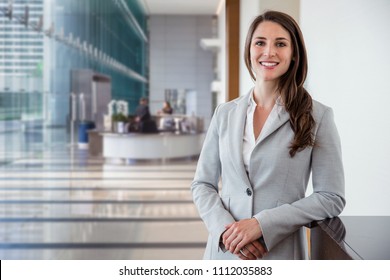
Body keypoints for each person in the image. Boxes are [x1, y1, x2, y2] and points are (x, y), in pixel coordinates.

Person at [191, 10, 345, 260]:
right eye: (260, 42)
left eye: (280, 44)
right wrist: (225, 230)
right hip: (225, 253)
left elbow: (331, 197)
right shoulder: (225, 113)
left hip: (279, 253)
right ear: (249, 50)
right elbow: (202, 184)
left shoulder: (318, 116)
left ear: (294, 54)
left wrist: (262, 224)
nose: (269, 52)